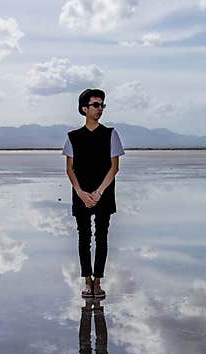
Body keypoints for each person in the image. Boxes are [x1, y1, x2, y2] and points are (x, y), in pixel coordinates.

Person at [62, 88, 125, 299]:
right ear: (84, 109)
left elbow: (114, 167)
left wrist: (98, 192)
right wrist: (80, 192)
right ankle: (87, 281)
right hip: (81, 194)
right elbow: (70, 169)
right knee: (84, 237)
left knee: (102, 236)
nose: (100, 109)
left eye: (102, 105)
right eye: (96, 105)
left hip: (103, 193)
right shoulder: (73, 137)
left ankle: (98, 281)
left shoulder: (111, 134)